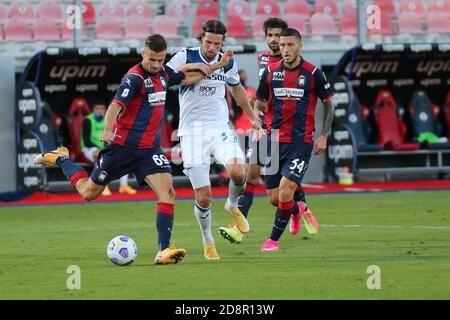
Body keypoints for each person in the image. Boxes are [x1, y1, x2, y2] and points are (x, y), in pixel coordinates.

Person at [34, 34, 229, 265]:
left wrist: (215, 66)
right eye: (151, 60)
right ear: (142, 54)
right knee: (88, 193)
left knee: (168, 193)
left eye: (160, 60)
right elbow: (114, 106)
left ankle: (162, 251)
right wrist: (107, 130)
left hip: (149, 151)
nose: (155, 65)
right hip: (122, 148)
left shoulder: (164, 74)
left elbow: (186, 75)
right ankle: (61, 159)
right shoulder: (134, 78)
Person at [166, 20, 262, 260]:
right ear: (201, 38)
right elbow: (174, 79)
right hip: (191, 132)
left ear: (222, 42)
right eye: (208, 42)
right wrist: (213, 65)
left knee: (239, 173)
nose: (211, 46)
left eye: (217, 43)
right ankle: (208, 241)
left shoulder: (227, 61)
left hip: (218, 127)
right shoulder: (184, 55)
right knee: (204, 196)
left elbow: (237, 90)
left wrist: (252, 117)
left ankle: (232, 205)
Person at [255, 28, 336, 252]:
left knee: (284, 191)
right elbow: (259, 101)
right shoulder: (270, 72)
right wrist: (257, 121)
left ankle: (272, 241)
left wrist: (324, 135)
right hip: (273, 139)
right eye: (282, 46)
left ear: (300, 46)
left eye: (290, 45)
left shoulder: (313, 73)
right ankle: (297, 210)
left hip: (300, 142)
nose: (286, 50)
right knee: (273, 198)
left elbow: (329, 103)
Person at [80, 102, 137, 196]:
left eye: (102, 109)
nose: (100, 111)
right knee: (101, 155)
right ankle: (103, 184)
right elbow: (86, 141)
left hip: (104, 148)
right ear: (93, 110)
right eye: (97, 109)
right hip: (88, 149)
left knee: (122, 154)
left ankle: (124, 185)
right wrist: (103, 149)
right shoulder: (87, 120)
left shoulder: (108, 120)